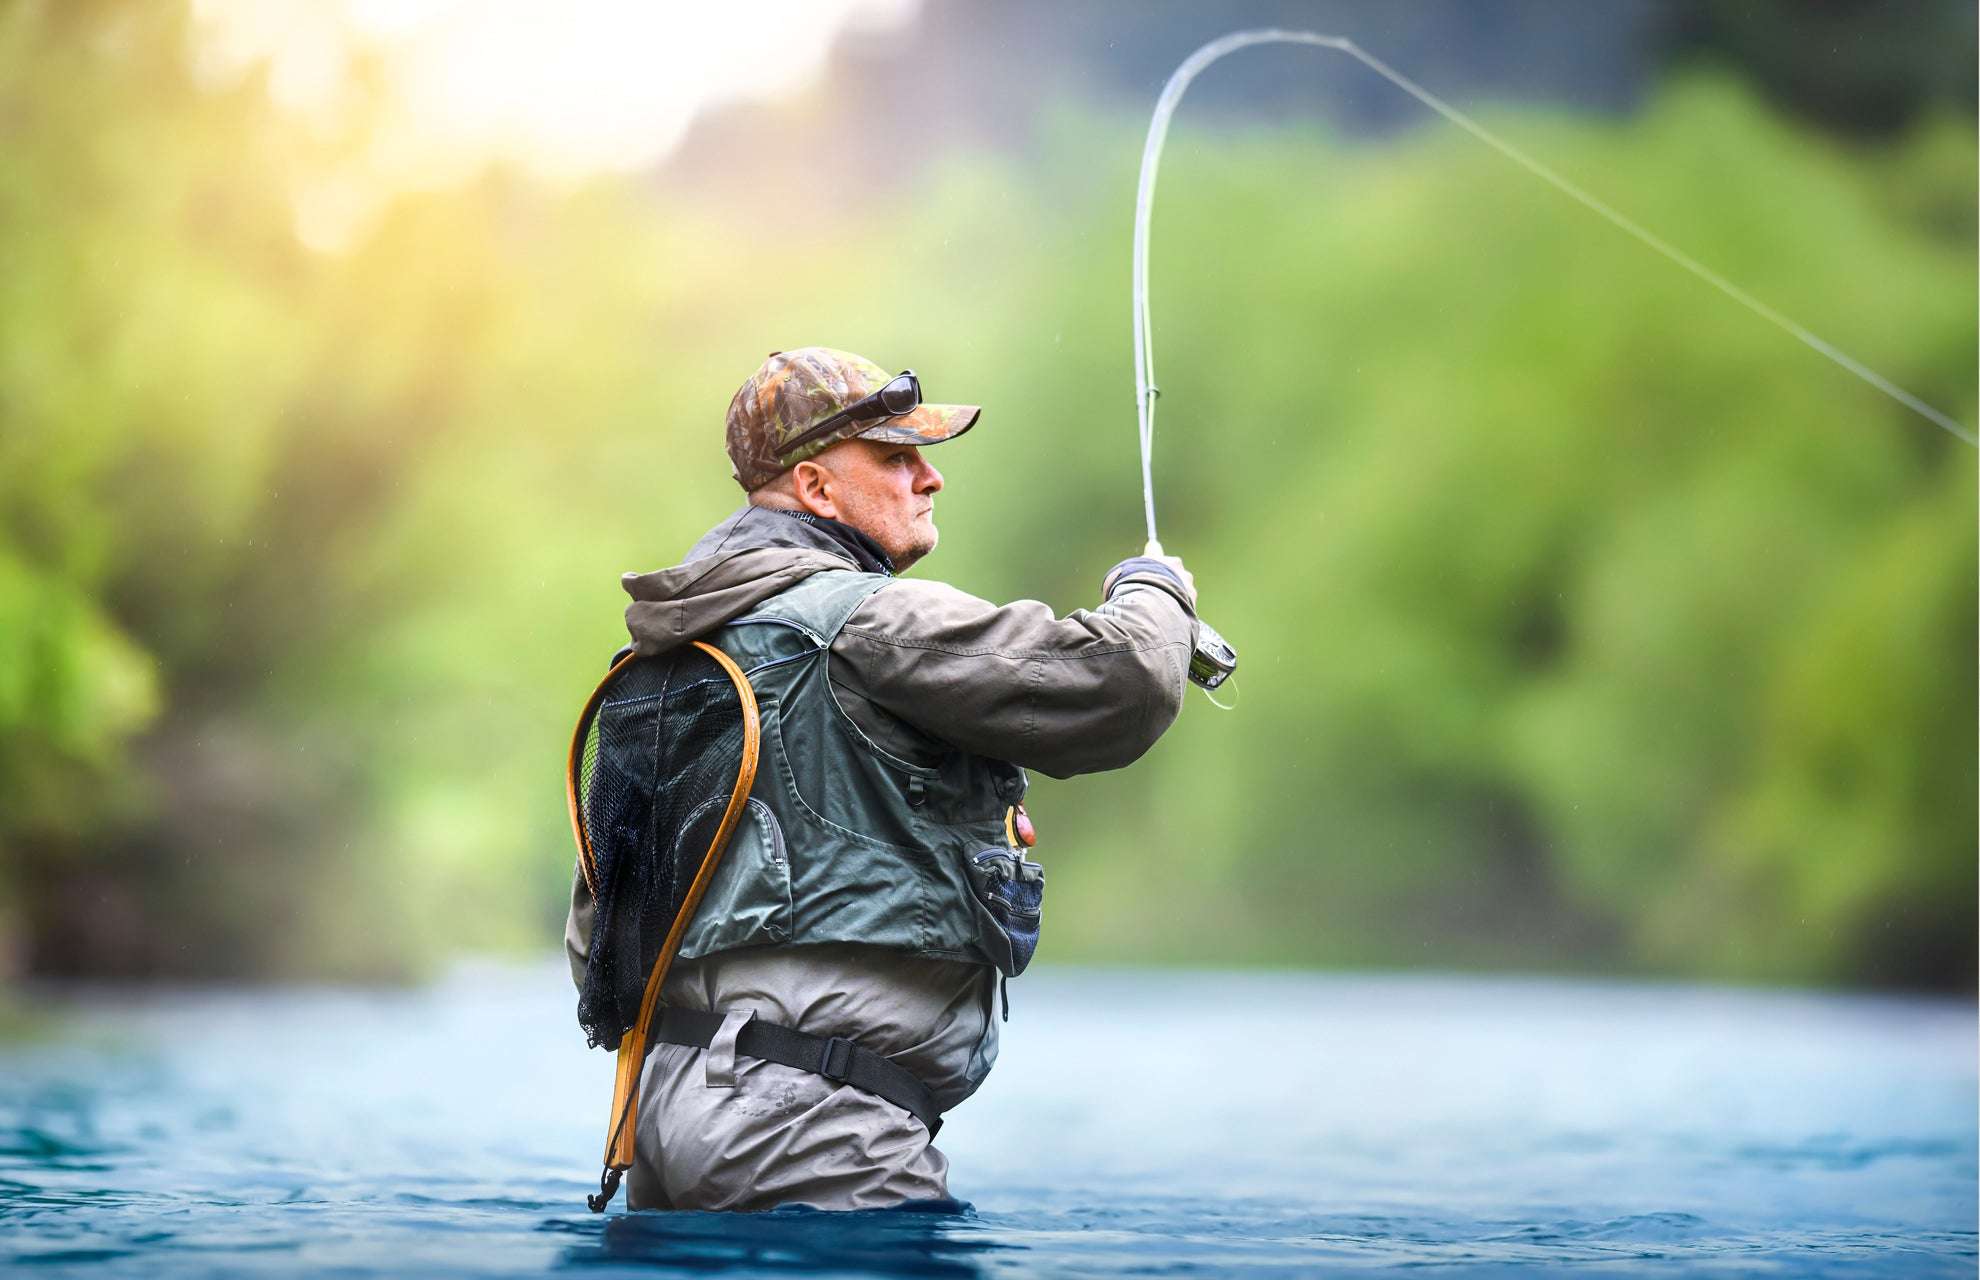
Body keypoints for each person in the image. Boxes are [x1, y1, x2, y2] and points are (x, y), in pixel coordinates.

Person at [565, 346, 1198, 1211]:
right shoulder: (865, 618)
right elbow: (1119, 682)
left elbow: (593, 934)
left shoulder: (663, 661)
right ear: (817, 489)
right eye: (897, 458)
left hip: (664, 1124)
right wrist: (1155, 591)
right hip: (815, 1132)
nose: (928, 479)